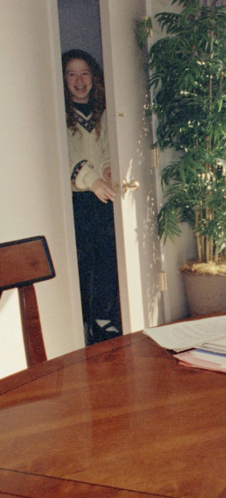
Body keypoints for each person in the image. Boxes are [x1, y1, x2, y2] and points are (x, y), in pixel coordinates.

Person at [62, 49, 121, 345]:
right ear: (63, 79)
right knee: (85, 263)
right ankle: (87, 322)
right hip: (79, 201)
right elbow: (67, 156)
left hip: (104, 196)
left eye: (84, 72)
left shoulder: (102, 112)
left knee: (109, 259)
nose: (79, 79)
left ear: (93, 77)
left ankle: (104, 317)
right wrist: (90, 177)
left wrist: (109, 170)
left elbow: (108, 147)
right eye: (71, 73)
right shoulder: (60, 116)